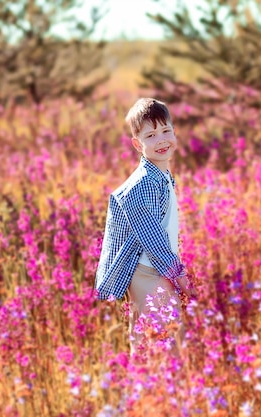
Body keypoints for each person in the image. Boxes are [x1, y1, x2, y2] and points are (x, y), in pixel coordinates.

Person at [94, 98, 197, 357]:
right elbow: (153, 240)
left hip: (155, 267)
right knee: (163, 341)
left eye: (165, 131)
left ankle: (149, 389)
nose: (161, 140)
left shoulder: (160, 173)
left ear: (174, 132)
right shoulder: (143, 185)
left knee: (155, 336)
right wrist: (179, 276)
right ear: (138, 144)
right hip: (148, 270)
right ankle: (154, 390)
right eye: (150, 135)